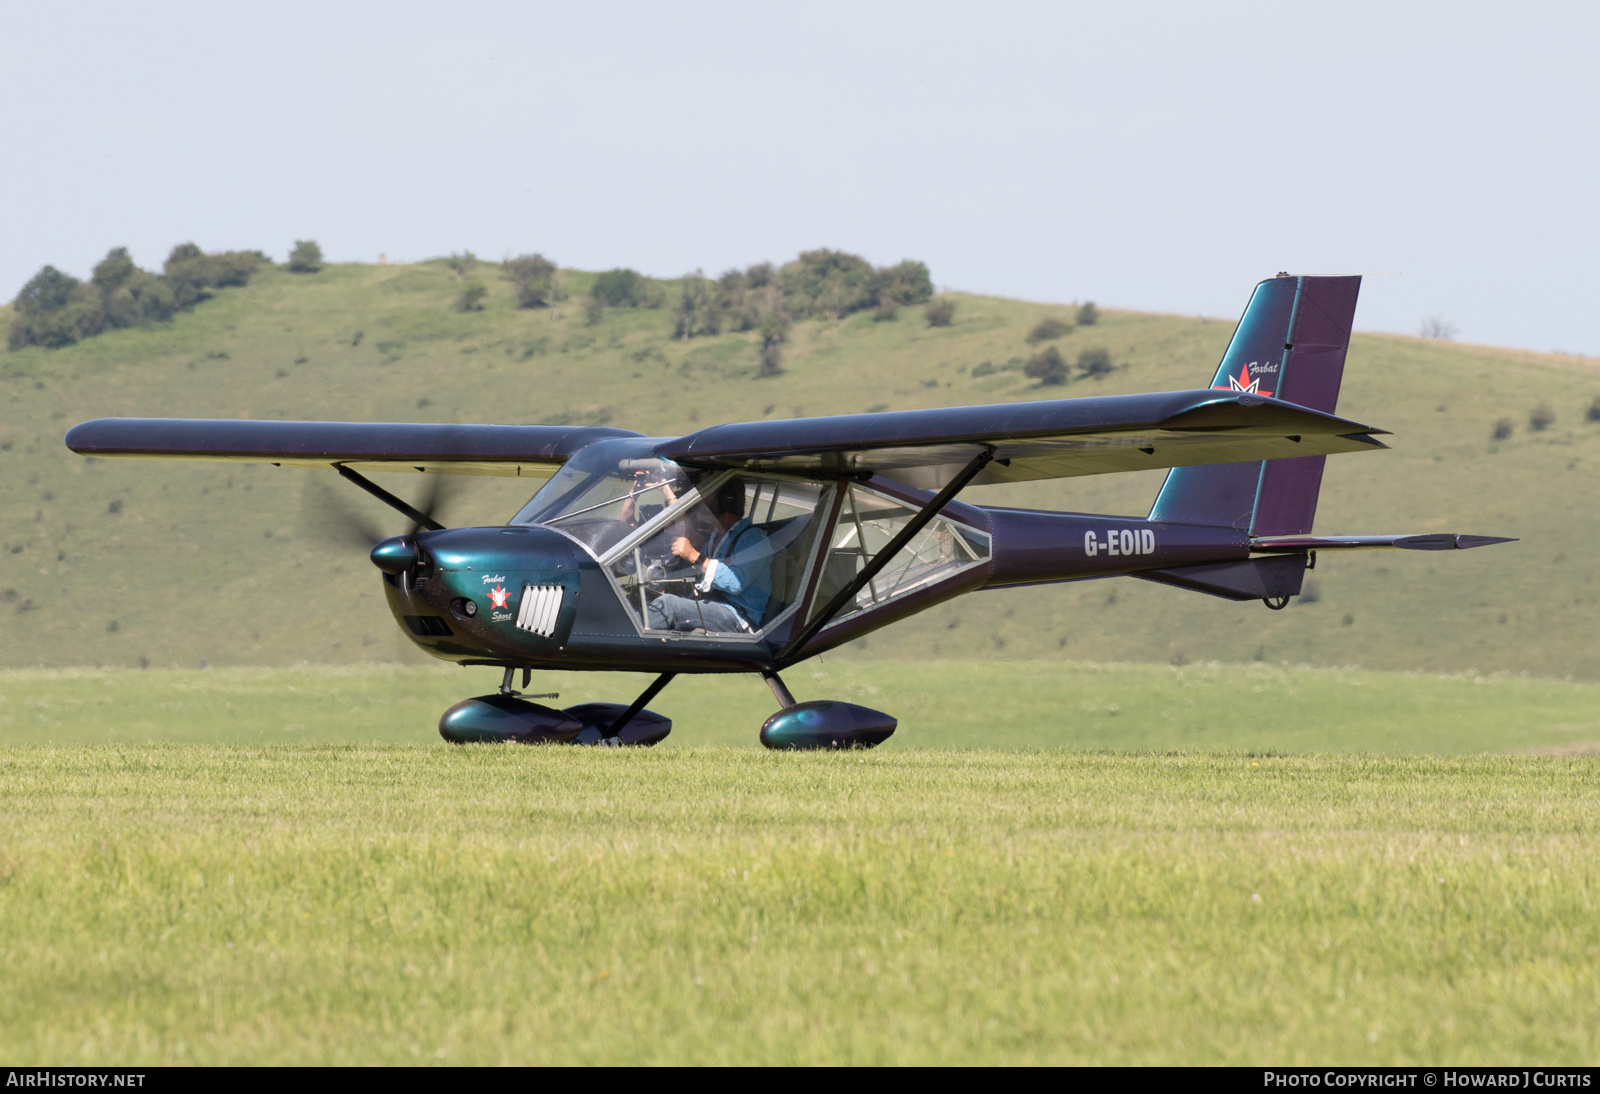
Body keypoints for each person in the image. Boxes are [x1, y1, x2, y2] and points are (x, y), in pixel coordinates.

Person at [646, 476, 771, 633]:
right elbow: (693, 545)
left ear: (728, 500)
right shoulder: (715, 537)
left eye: (707, 494)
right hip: (714, 606)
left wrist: (694, 556)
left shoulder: (754, 539)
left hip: (738, 617)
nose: (701, 500)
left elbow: (735, 583)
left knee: (669, 606)